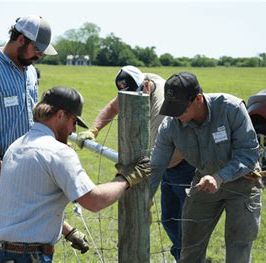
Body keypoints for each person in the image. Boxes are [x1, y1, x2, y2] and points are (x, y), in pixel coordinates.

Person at [0, 15, 89, 253]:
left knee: (33, 239)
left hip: (32, 168)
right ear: (21, 39)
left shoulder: (30, 73)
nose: (39, 56)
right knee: (6, 245)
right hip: (0, 174)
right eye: (37, 49)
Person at [0, 86, 151, 262]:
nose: (73, 131)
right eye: (73, 122)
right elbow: (94, 201)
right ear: (60, 115)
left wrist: (68, 231)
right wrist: (127, 178)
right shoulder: (58, 152)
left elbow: (27, 204)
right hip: (28, 256)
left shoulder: (16, 146)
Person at [75, 65, 195, 260]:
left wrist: (145, 194)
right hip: (166, 168)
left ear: (146, 86)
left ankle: (189, 257)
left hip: (183, 167)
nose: (132, 100)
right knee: (169, 219)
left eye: (136, 95)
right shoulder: (136, 83)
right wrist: (94, 130)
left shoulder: (161, 101)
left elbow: (157, 152)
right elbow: (114, 107)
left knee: (187, 221)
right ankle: (181, 255)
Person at [151, 72, 262, 262]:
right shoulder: (171, 125)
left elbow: (249, 152)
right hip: (204, 182)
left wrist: (219, 177)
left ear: (198, 99)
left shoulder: (231, 108)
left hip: (243, 183)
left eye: (181, 110)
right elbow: (156, 166)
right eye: (172, 109)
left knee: (238, 249)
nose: (176, 116)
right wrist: (144, 200)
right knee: (190, 247)